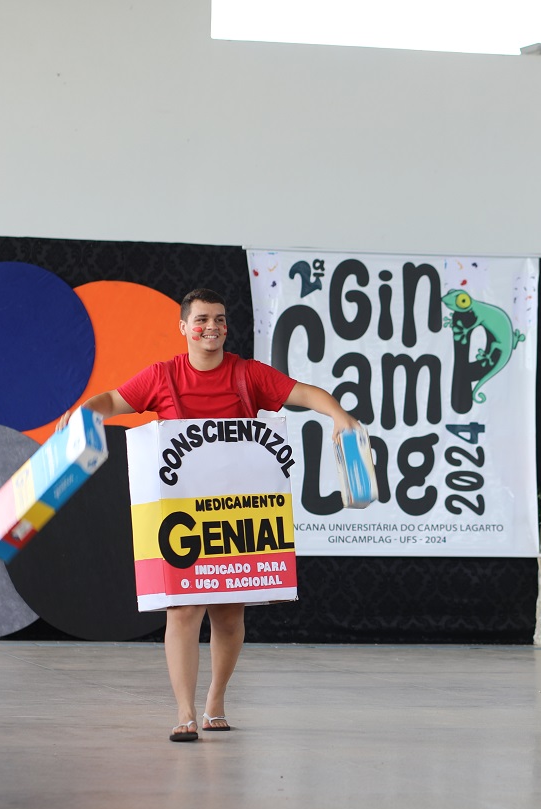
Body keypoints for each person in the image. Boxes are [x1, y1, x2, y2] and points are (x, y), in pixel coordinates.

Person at [64, 288, 361, 741]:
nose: (212, 328)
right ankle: (184, 712)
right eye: (202, 319)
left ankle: (215, 699)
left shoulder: (247, 374)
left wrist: (338, 416)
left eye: (220, 319)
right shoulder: (162, 376)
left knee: (227, 614)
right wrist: (85, 413)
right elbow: (113, 401)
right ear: (183, 327)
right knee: (182, 611)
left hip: (236, 513)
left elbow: (302, 393)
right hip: (180, 515)